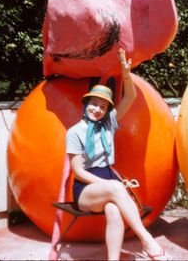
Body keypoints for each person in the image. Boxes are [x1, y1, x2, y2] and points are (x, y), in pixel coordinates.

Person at [66, 48, 169, 260]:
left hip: (110, 183)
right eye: (94, 104)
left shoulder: (108, 124)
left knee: (114, 210)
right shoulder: (75, 132)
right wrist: (110, 186)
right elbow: (77, 171)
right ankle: (147, 240)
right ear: (86, 105)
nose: (97, 109)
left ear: (107, 110)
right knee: (115, 190)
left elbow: (130, 96)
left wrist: (126, 72)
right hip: (86, 190)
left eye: (103, 106)